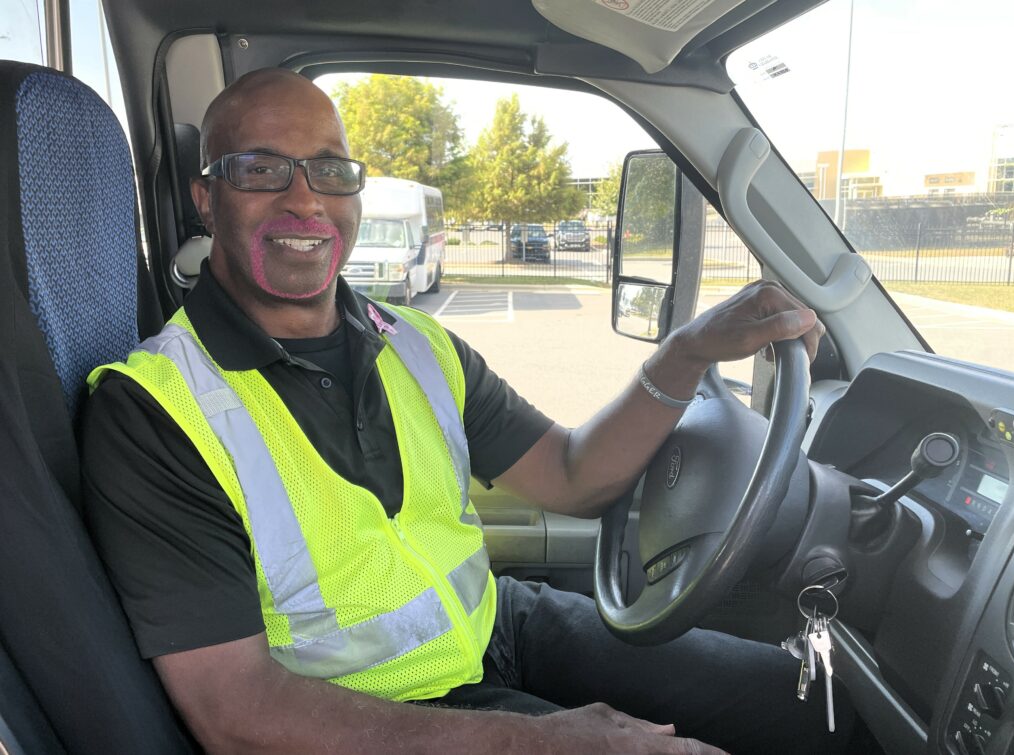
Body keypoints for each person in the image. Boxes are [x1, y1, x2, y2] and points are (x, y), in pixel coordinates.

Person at [81, 68, 840, 754]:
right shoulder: (154, 409)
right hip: (372, 712)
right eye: (261, 170)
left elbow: (573, 475)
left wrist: (687, 350)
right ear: (206, 196)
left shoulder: (415, 344)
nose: (305, 198)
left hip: (500, 627)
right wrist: (540, 739)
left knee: (809, 706)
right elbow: (237, 712)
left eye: (331, 171)